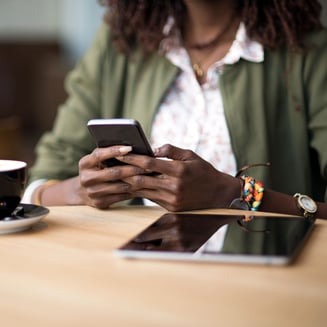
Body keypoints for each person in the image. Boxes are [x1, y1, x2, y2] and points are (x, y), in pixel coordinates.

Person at [23, 0, 327, 219]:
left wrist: (232, 194)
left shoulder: (310, 54)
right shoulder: (122, 41)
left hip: (264, 286)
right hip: (135, 277)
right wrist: (81, 191)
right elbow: (44, 181)